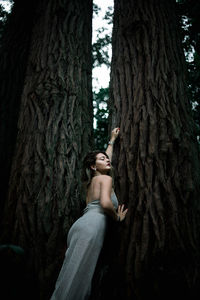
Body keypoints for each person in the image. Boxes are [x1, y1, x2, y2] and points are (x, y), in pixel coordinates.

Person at [50, 127, 128, 300]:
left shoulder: (93, 181)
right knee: (79, 277)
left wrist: (112, 141)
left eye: (107, 158)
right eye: (102, 159)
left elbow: (103, 160)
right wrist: (117, 217)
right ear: (93, 166)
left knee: (70, 274)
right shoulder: (106, 179)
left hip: (81, 225)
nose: (107, 160)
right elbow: (106, 203)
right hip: (92, 227)